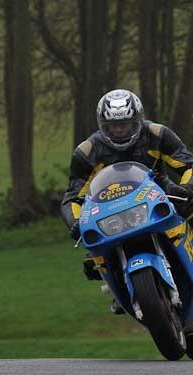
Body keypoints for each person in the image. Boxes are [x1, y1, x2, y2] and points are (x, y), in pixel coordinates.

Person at [61, 88, 193, 313]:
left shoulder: (157, 134)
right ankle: (117, 288)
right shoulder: (87, 151)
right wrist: (75, 222)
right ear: (102, 125)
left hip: (157, 195)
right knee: (92, 250)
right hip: (110, 211)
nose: (120, 130)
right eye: (113, 126)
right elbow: (73, 196)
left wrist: (187, 188)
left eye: (127, 124)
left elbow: (187, 165)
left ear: (138, 120)